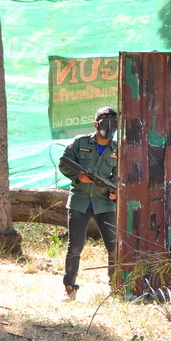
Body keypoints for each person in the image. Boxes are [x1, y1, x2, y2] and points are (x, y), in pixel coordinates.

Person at [58, 106, 119, 300]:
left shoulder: (117, 149)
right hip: (80, 201)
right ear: (95, 124)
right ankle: (69, 287)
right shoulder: (80, 142)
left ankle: (115, 286)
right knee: (75, 247)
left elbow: (120, 175)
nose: (109, 128)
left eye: (113, 124)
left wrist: (116, 192)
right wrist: (78, 177)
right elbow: (64, 163)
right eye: (105, 124)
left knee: (114, 247)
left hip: (105, 203)